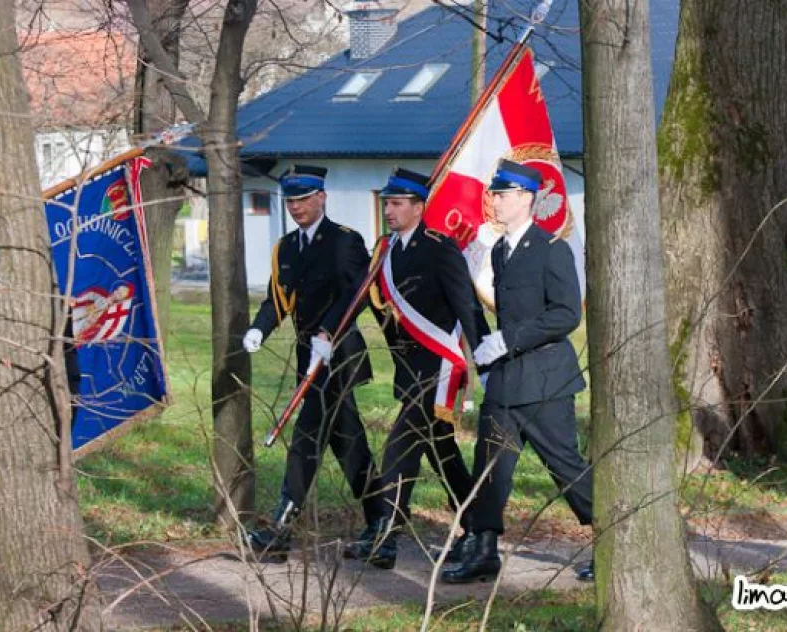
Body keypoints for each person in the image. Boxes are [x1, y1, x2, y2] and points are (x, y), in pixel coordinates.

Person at [323, 168, 490, 569]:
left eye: (397, 204)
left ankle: (387, 533)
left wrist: (484, 355)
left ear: (419, 207)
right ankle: (478, 526)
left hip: (437, 371)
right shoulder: (385, 250)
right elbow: (355, 295)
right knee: (442, 452)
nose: (390, 210)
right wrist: (327, 331)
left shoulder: (439, 248)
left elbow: (466, 304)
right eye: (387, 204)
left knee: (401, 446)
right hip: (406, 369)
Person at [440, 159, 595, 584]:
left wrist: (509, 339)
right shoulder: (500, 251)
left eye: (503, 194)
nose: (495, 200)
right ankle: (484, 550)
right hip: (507, 384)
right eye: (494, 193)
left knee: (565, 466)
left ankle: (615, 541)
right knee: (490, 466)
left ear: (526, 198)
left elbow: (565, 314)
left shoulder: (552, 249)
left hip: (545, 380)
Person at [242, 164, 388, 561]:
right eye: (290, 201)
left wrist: (328, 331)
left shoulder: (344, 241)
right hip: (308, 354)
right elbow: (278, 298)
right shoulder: (286, 248)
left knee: (308, 437)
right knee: (347, 442)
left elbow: (357, 293)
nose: (296, 208)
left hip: (339, 354)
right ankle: (381, 520)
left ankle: (281, 528)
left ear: (322, 197)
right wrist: (260, 328)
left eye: (304, 199)